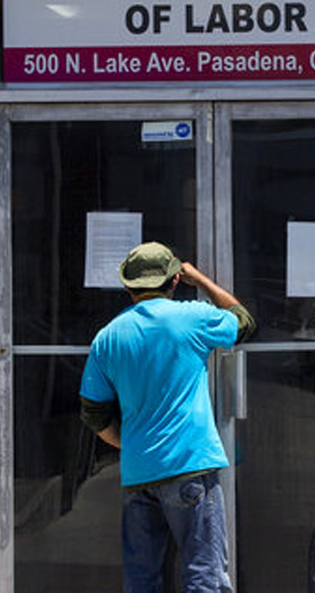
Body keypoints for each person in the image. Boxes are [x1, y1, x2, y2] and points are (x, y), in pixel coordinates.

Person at [79, 243, 254, 593]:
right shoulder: (192, 318)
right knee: (203, 575)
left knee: (142, 578)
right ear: (175, 280)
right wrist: (200, 279)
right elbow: (243, 323)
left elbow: (94, 413)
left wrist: (127, 443)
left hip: (138, 473)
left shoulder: (107, 338)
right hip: (190, 466)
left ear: (128, 287)